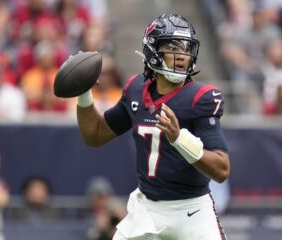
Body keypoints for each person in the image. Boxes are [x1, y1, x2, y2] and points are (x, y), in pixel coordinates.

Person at [75, 13, 230, 239]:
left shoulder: (201, 98)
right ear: (153, 50)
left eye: (186, 49)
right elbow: (95, 135)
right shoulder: (136, 89)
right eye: (173, 47)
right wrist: (83, 92)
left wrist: (179, 138)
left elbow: (221, 169)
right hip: (148, 208)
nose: (182, 56)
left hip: (192, 209)